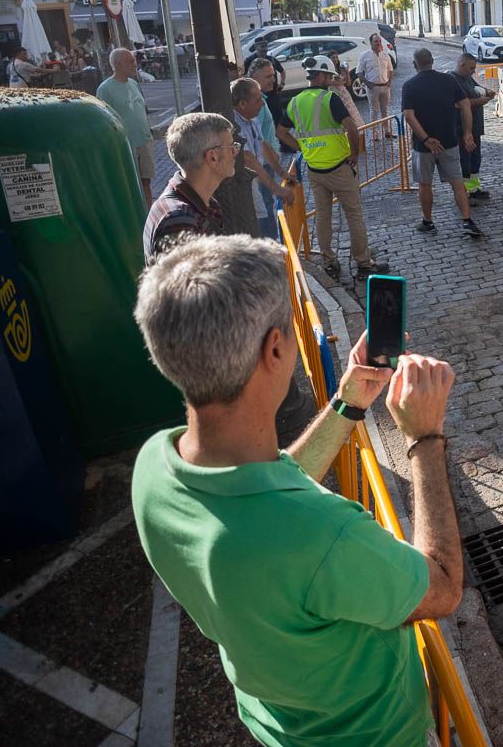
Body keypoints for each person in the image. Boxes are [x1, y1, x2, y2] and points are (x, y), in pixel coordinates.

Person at [131, 235, 463, 747]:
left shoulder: (154, 467)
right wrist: (425, 438)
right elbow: (441, 585)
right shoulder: (322, 537)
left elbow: (273, 485)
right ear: (276, 348)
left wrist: (349, 402)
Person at [276, 55, 390, 278]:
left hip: (315, 170)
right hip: (339, 167)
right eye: (328, 75)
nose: (330, 79)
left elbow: (281, 132)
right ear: (319, 76)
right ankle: (363, 262)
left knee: (323, 216)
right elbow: (352, 128)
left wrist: (301, 147)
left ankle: (329, 261)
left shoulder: (295, 102)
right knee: (354, 215)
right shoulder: (330, 99)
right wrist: (354, 154)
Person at [400, 49, 483, 238]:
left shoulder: (409, 85)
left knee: (425, 184)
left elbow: (409, 116)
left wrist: (426, 139)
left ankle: (428, 222)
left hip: (423, 147)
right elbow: (465, 106)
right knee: (457, 182)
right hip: (449, 141)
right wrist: (468, 132)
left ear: (415, 64)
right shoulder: (449, 80)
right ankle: (466, 220)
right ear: (432, 61)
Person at [144, 112, 238, 261]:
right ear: (212, 157)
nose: (235, 152)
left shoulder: (202, 204)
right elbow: (188, 283)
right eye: (231, 146)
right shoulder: (179, 220)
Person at [231, 78, 297, 240]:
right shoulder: (234, 125)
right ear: (242, 104)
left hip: (254, 180)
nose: (262, 104)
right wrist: (277, 189)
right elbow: (249, 159)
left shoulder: (252, 119)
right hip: (242, 186)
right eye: (258, 99)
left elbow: (262, 145)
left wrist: (282, 173)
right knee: (256, 225)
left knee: (264, 214)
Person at [96, 47, 157, 209]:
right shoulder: (105, 89)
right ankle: (135, 215)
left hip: (144, 140)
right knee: (130, 182)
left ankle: (149, 214)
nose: (134, 64)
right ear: (118, 64)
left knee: (146, 180)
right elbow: (103, 121)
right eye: (130, 61)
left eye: (134, 60)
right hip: (126, 143)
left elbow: (141, 109)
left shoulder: (134, 83)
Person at [452, 52, 495, 200]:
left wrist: (487, 91)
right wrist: (482, 101)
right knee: (465, 160)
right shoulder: (453, 80)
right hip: (462, 128)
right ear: (461, 65)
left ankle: (474, 189)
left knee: (475, 158)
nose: (473, 71)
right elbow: (460, 104)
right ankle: (465, 193)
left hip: (475, 127)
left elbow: (477, 86)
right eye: (471, 68)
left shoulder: (467, 78)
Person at [356, 33, 397, 126]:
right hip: (372, 88)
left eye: (379, 41)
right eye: (376, 41)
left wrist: (390, 81)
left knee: (385, 110)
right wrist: (367, 83)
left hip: (385, 87)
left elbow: (390, 70)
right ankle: (375, 134)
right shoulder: (364, 55)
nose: (378, 43)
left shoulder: (386, 55)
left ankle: (387, 131)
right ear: (371, 43)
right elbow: (359, 72)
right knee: (374, 111)